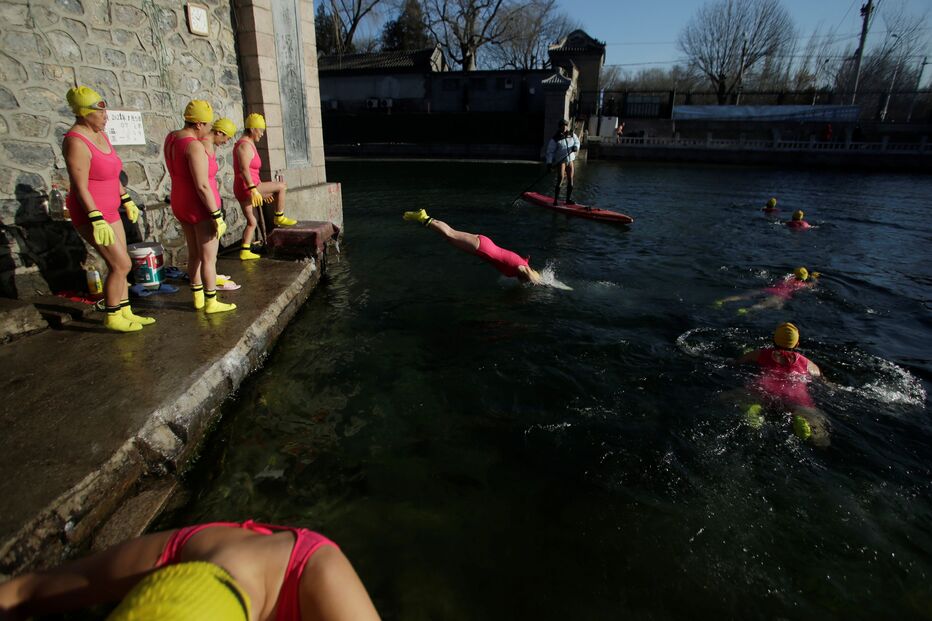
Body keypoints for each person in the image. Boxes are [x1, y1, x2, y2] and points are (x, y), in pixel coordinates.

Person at [0, 519, 381, 620]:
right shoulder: (323, 574)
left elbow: (24, 592)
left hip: (202, 555)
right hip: (214, 566)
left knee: (27, 593)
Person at [62, 85, 154, 333]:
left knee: (122, 261)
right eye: (100, 111)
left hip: (112, 208)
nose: (106, 117)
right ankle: (112, 316)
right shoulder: (76, 141)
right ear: (83, 112)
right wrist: (96, 218)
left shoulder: (101, 134)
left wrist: (126, 199)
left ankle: (125, 311)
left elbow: (113, 175)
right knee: (121, 264)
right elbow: (80, 187)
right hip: (93, 213)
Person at [163, 100, 236, 314]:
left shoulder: (171, 138)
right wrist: (216, 215)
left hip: (180, 201)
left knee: (194, 253)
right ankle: (212, 302)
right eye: (206, 124)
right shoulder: (193, 145)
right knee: (209, 257)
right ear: (198, 124)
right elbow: (202, 184)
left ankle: (197, 298)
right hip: (199, 206)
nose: (208, 129)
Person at [735, 322, 830, 446]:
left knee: (731, 397)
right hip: (796, 398)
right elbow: (824, 381)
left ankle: (754, 410)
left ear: (774, 340)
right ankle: (801, 419)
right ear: (797, 344)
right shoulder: (808, 364)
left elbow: (737, 362)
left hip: (765, 390)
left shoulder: (760, 354)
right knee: (822, 433)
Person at [403, 209, 541, 284]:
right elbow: (524, 270)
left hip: (483, 244)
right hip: (481, 247)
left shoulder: (522, 265)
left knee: (449, 237)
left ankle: (425, 217)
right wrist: (538, 283)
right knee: (450, 234)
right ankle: (423, 217)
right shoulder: (522, 269)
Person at [234, 113, 295, 261]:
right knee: (281, 186)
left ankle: (245, 250)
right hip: (248, 187)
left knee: (252, 222)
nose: (262, 133)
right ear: (253, 128)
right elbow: (244, 169)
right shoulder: (244, 145)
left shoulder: (246, 143)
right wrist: (253, 190)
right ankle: (279, 217)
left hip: (246, 187)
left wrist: (260, 192)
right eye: (261, 130)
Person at [714, 267, 820, 314]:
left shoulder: (788, 278)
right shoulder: (802, 285)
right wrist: (814, 278)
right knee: (766, 305)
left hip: (769, 289)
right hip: (781, 295)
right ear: (805, 277)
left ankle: (722, 301)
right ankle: (747, 310)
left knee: (743, 296)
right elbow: (812, 285)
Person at [545, 119, 580, 206]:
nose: (564, 127)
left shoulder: (572, 134)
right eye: (562, 126)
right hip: (561, 161)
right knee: (560, 179)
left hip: (570, 160)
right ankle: (555, 201)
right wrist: (549, 164)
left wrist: (576, 147)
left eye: (566, 125)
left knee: (570, 179)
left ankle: (568, 199)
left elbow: (577, 142)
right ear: (559, 127)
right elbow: (550, 152)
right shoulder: (555, 138)